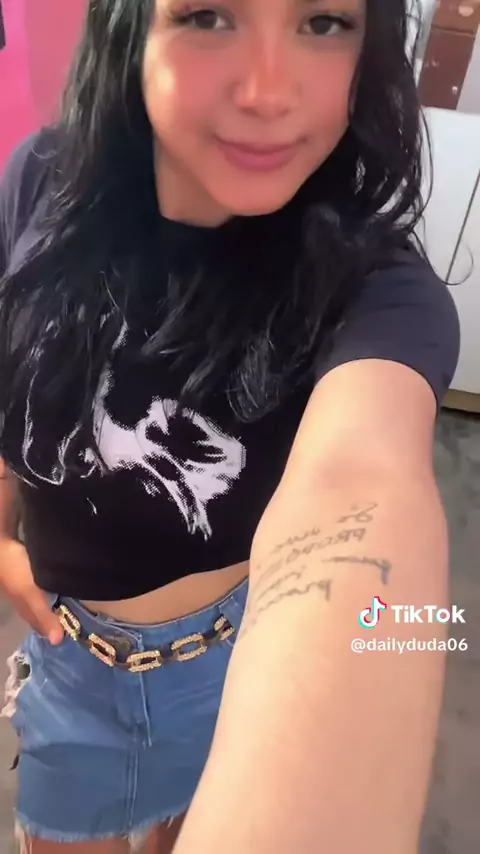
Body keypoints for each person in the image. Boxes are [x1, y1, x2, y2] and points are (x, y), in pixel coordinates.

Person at [0, 0, 460, 852]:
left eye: (323, 23)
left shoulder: (376, 290)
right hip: (67, 664)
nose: (267, 91)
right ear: (131, 25)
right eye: (209, 15)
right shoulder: (41, 181)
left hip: (233, 664)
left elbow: (362, 482)